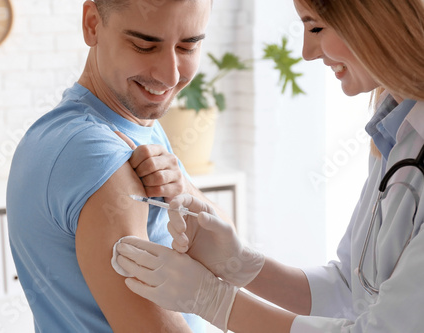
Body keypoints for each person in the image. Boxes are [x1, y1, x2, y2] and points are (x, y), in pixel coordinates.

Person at [113, 0, 424, 332]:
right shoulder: (395, 135)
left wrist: (213, 300)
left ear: (376, 19)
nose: (307, 51)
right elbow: (350, 289)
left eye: (316, 27)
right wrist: (242, 265)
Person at [6, 0, 223, 332]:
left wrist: (183, 186)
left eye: (187, 46)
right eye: (144, 45)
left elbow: (226, 250)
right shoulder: (92, 151)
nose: (170, 75)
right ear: (92, 24)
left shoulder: (133, 119)